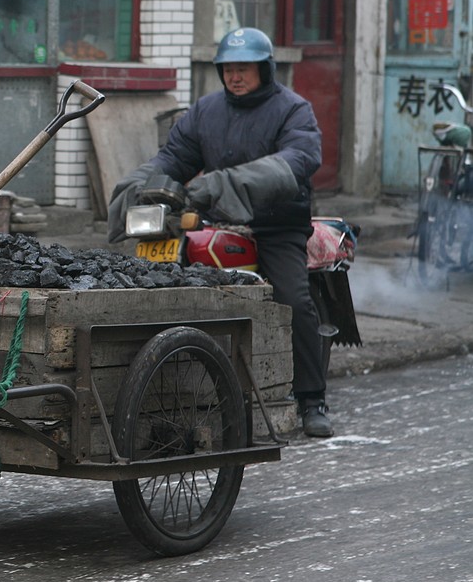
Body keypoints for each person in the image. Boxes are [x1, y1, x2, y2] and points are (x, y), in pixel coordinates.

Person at [108, 27, 333, 438]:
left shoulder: (293, 109)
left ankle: (312, 398)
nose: (235, 76)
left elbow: (299, 158)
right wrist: (138, 184)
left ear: (265, 69)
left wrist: (223, 182)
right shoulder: (205, 110)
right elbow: (173, 157)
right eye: (228, 68)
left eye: (244, 68)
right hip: (216, 220)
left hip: (276, 224)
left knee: (293, 300)